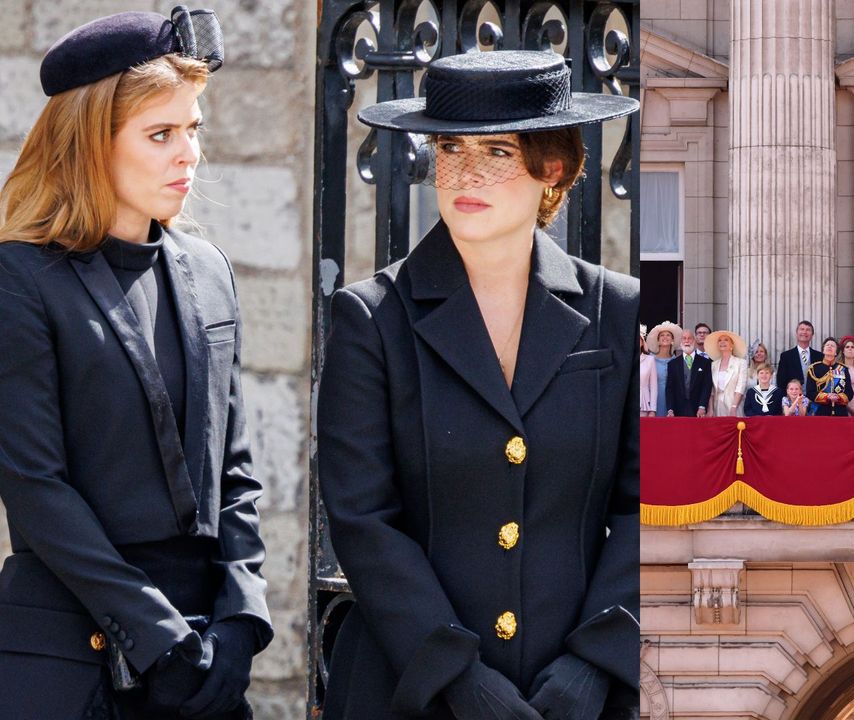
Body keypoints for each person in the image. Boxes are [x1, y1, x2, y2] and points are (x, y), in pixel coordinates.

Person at [318, 50, 640, 720]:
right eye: (448, 146)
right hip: (408, 691)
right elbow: (363, 521)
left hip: (582, 699)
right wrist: (459, 679)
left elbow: (646, 509)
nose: (463, 171)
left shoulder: (619, 312)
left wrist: (596, 663)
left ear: (554, 166)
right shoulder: (371, 318)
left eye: (496, 150)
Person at [0, 9, 273, 718]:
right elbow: (36, 487)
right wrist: (160, 638)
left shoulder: (209, 270)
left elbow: (234, 469)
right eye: (161, 134)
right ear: (91, 144)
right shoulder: (19, 279)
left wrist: (242, 617)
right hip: (72, 662)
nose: (189, 155)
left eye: (193, 129)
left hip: (204, 658)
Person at [667, 329, 712, 417]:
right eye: (684, 338)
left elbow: (706, 386)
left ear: (694, 341)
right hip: (678, 410)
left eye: (689, 338)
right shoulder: (672, 364)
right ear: (680, 342)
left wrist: (702, 406)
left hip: (698, 411)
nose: (687, 341)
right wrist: (670, 409)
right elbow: (669, 388)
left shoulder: (705, 362)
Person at [706, 330, 749, 417]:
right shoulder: (713, 365)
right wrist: (710, 409)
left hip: (734, 406)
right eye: (719, 340)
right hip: (716, 406)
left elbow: (741, 386)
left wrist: (734, 407)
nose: (722, 342)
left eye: (726, 340)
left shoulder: (741, 363)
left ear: (732, 345)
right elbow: (711, 390)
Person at [776, 321, 820, 400]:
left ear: (812, 335)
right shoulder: (786, 356)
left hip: (815, 401)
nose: (804, 332)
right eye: (802, 329)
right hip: (793, 401)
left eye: (808, 330)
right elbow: (781, 381)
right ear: (796, 333)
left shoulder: (819, 356)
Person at [808, 337, 850, 417]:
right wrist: (827, 397)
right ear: (823, 350)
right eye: (827, 345)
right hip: (820, 412)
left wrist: (839, 397)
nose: (830, 346)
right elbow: (810, 392)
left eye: (832, 346)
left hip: (840, 413)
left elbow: (849, 392)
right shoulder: (814, 369)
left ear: (836, 352)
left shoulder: (843, 369)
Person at [647, 321, 681, 418]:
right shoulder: (650, 360)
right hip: (653, 401)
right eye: (662, 335)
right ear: (657, 340)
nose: (665, 337)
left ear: (672, 340)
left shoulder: (677, 361)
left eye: (668, 335)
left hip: (673, 402)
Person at [639, 326, 657, 417]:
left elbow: (653, 386)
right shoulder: (623, 360)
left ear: (642, 343)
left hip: (644, 404)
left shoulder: (650, 360)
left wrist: (653, 410)